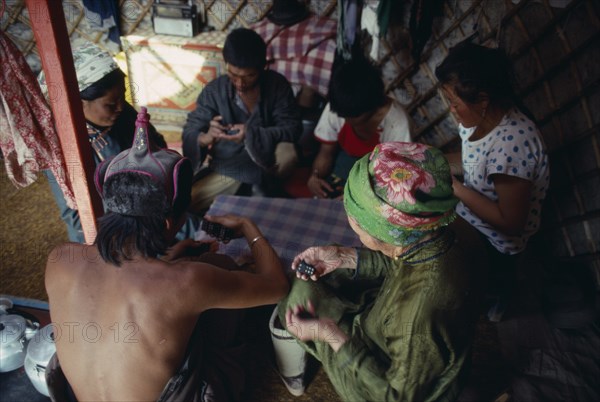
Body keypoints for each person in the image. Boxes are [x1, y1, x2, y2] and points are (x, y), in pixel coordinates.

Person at [44, 108, 289, 402]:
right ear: (168, 223)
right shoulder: (189, 280)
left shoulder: (59, 260)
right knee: (220, 267)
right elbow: (277, 287)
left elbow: (123, 286)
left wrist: (171, 260)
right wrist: (249, 227)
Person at [271, 142, 487, 400]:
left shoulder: (417, 318)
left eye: (358, 228)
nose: (355, 233)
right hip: (387, 327)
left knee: (298, 298)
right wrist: (343, 256)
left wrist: (331, 334)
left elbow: (396, 397)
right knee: (307, 283)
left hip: (387, 382)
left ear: (384, 236)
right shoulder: (437, 232)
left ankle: (298, 368)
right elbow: (402, 268)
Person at [435, 42, 550, 321]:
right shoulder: (478, 121)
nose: (451, 110)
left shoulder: (512, 147)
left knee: (488, 287)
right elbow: (473, 159)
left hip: (496, 242)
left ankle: (498, 300)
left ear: (483, 99)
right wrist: (432, 159)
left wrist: (456, 188)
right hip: (471, 217)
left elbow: (511, 223)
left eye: (454, 103)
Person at [38, 41, 167, 243]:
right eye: (110, 104)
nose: (120, 107)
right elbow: (75, 216)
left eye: (123, 98)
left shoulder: (124, 114)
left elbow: (158, 146)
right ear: (78, 103)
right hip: (109, 233)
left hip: (150, 209)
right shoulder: (61, 148)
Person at [182, 28, 303, 213]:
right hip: (231, 164)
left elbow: (292, 127)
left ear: (263, 67)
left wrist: (251, 134)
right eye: (233, 75)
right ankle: (253, 189)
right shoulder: (214, 91)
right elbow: (192, 128)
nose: (240, 83)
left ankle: (265, 188)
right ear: (226, 65)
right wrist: (204, 137)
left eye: (249, 76)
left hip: (268, 157)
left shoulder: (277, 85)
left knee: (289, 153)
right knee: (188, 202)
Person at [307, 57, 412, 198]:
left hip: (379, 175)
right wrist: (314, 177)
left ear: (373, 107)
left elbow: (396, 175)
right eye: (343, 116)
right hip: (344, 165)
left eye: (353, 117)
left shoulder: (397, 123)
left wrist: (360, 196)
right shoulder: (339, 107)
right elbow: (326, 153)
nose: (346, 121)